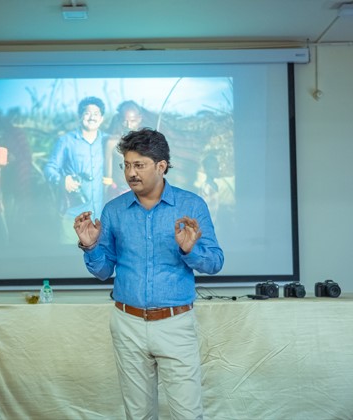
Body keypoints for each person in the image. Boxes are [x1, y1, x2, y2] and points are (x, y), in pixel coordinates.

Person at [73, 128, 224, 419]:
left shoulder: (191, 205)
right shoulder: (114, 210)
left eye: (138, 165)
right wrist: (90, 246)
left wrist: (190, 251)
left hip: (175, 322)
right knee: (138, 415)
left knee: (187, 413)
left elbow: (215, 262)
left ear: (161, 166)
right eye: (126, 165)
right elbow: (104, 271)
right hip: (127, 322)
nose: (130, 173)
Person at [44, 96, 108, 244]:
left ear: (102, 118)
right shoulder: (66, 141)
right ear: (80, 116)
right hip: (73, 216)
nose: (92, 117)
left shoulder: (108, 141)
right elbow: (50, 168)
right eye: (87, 113)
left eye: (96, 113)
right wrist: (62, 179)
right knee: (68, 261)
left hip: (102, 219)